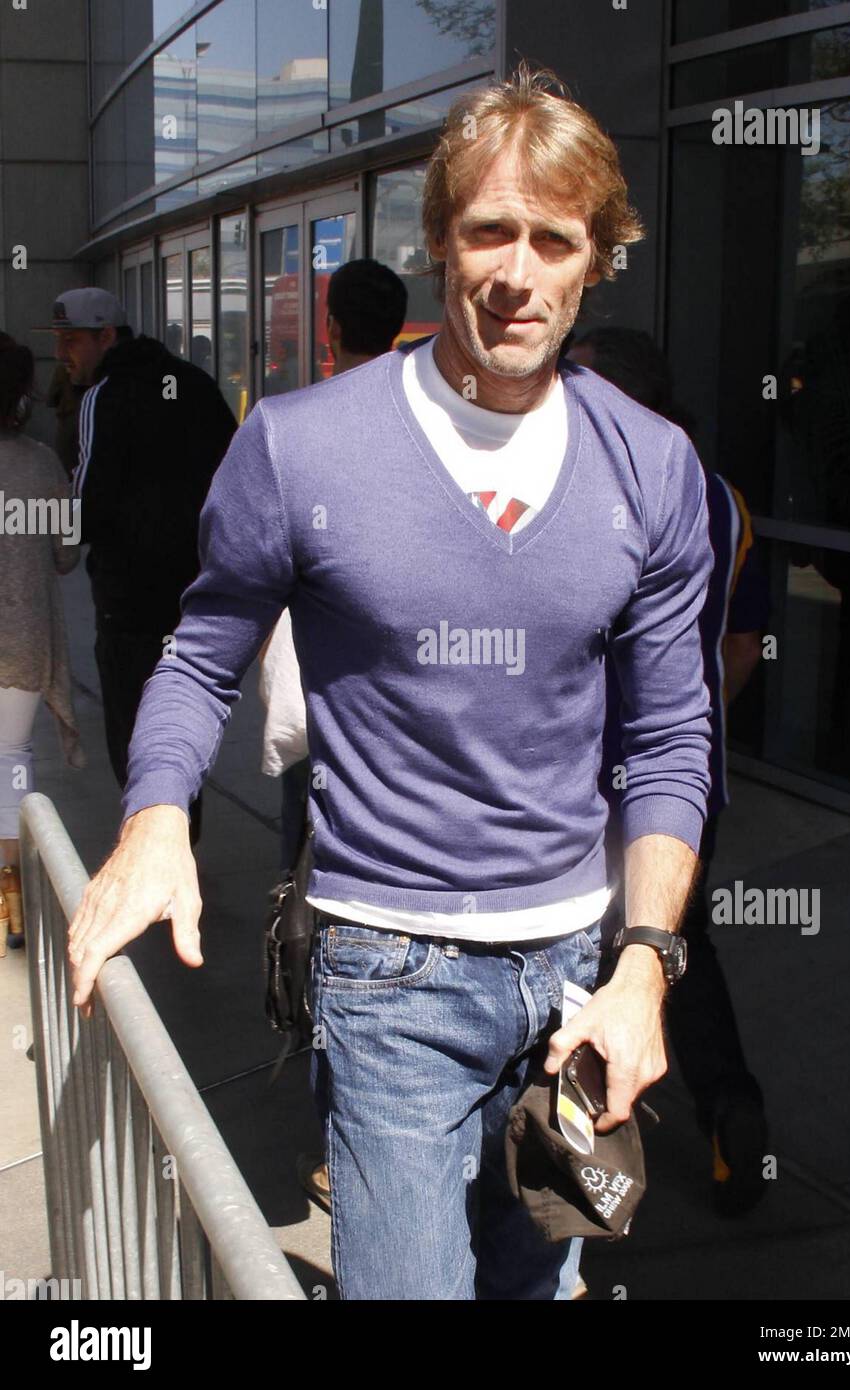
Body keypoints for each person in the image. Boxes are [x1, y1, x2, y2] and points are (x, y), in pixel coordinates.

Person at [69, 66, 714, 1301]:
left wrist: (644, 967)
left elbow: (671, 730)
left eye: (554, 239)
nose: (516, 272)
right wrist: (155, 816)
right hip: (387, 976)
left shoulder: (652, 467)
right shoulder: (300, 445)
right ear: (436, 243)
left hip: (574, 979)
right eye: (489, 230)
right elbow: (201, 651)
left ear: (597, 259)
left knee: (535, 1289)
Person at [571, 326, 770, 1215]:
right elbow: (739, 644)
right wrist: (691, 727)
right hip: (687, 784)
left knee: (579, 953)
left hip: (579, 776)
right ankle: (731, 1112)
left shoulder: (585, 484)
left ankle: (572, 1155)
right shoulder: (727, 502)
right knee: (673, 948)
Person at [256, 258, 408, 1214]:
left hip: (316, 731)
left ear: (328, 325)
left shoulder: (301, 433)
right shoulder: (426, 431)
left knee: (313, 922)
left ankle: (339, 1137)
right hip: (393, 734)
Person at [44, 288, 237, 845]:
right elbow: (234, 476)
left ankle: (153, 845)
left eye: (72, 339)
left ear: (108, 336)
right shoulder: (194, 385)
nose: (62, 352)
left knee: (133, 734)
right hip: (198, 600)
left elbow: (85, 508)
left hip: (130, 607)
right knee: (184, 723)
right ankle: (181, 837)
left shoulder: (103, 397)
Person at [0, 338, 85, 955]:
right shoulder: (43, 465)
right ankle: (12, 899)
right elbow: (67, 554)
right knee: (11, 761)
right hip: (21, 645)